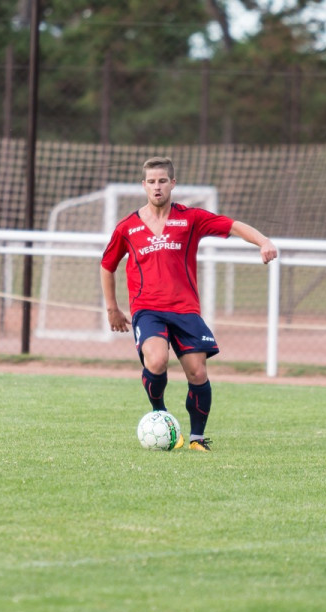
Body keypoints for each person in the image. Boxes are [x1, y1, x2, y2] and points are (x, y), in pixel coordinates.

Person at [100, 156, 278, 451]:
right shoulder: (127, 227)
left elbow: (232, 225)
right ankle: (161, 415)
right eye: (151, 182)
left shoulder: (190, 218)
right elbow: (107, 265)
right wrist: (112, 309)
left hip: (185, 310)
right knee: (156, 360)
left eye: (162, 181)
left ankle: (197, 438)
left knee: (197, 372)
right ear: (143, 186)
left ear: (172, 184)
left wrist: (264, 241)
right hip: (147, 309)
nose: (157, 187)